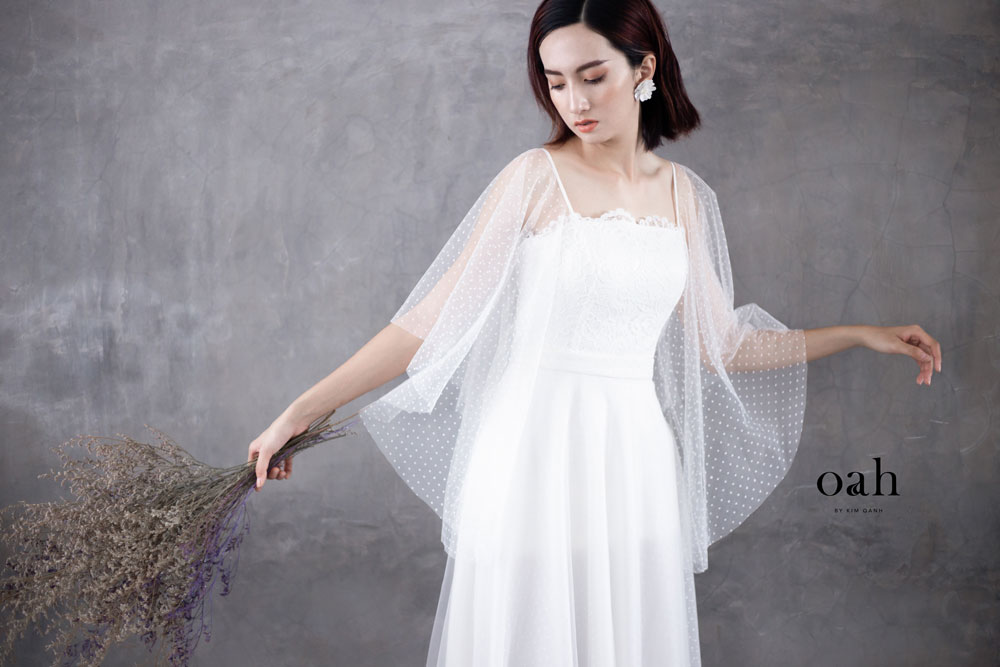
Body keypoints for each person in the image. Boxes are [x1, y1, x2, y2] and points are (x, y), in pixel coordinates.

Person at [248, 0, 942, 664]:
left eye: (592, 76)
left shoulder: (685, 196)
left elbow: (723, 346)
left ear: (644, 69)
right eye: (555, 83)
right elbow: (429, 321)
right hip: (532, 454)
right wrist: (300, 412)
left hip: (634, 463)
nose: (573, 102)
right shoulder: (535, 177)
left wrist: (861, 333)